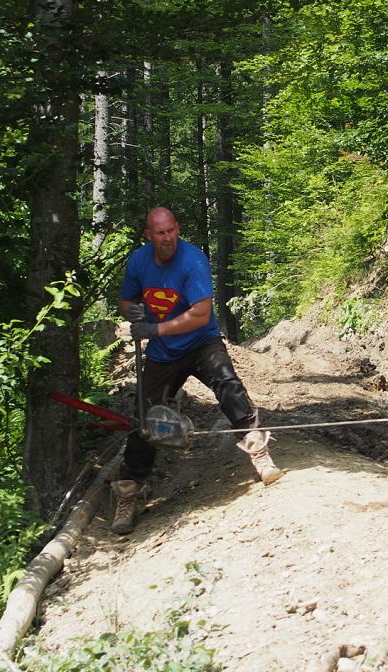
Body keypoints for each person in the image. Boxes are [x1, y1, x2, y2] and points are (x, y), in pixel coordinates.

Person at [110, 207, 282, 535]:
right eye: (160, 233)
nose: (167, 239)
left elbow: (201, 315)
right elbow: (126, 301)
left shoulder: (193, 261)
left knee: (228, 384)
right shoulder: (138, 262)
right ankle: (129, 491)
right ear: (149, 236)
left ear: (177, 229)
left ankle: (258, 451)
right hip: (163, 355)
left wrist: (154, 330)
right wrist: (131, 311)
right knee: (144, 418)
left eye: (171, 231)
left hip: (201, 343)